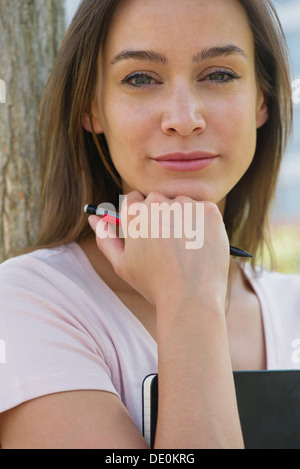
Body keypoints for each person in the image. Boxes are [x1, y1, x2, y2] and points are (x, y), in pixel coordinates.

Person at [0, 0, 298, 449]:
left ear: (262, 99)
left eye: (219, 74)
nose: (184, 119)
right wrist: (189, 301)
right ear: (91, 108)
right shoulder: (26, 306)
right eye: (140, 78)